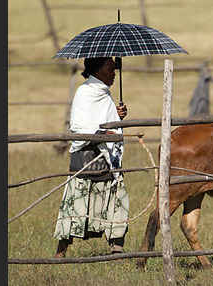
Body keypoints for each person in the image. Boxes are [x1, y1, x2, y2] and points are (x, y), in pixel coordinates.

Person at [53, 57, 129, 258]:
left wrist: (117, 116)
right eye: (110, 68)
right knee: (75, 205)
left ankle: (117, 248)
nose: (114, 73)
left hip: (107, 160)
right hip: (88, 157)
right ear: (97, 69)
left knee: (116, 200)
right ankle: (60, 253)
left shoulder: (104, 92)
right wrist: (103, 134)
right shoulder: (85, 92)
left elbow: (106, 121)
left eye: (114, 69)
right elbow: (80, 127)